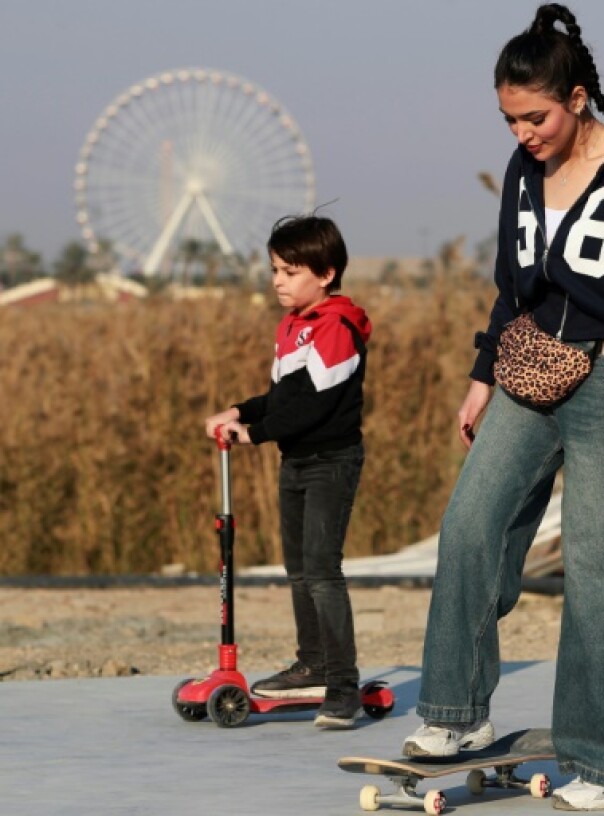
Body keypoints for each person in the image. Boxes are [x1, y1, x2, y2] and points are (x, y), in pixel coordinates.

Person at [400, 4, 604, 810]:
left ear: (577, 99)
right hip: (529, 372)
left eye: (533, 116)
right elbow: (514, 287)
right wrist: (481, 373)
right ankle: (455, 714)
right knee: (472, 525)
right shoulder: (522, 171)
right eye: (507, 119)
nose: (521, 133)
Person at [203, 215, 372, 728]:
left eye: (291, 272)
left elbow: (315, 407)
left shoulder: (338, 327)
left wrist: (257, 433)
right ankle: (312, 664)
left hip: (330, 462)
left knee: (323, 572)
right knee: (298, 569)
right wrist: (240, 412)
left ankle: (343, 685)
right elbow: (282, 399)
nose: (278, 280)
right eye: (275, 270)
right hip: (295, 461)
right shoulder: (293, 326)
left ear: (325, 274)